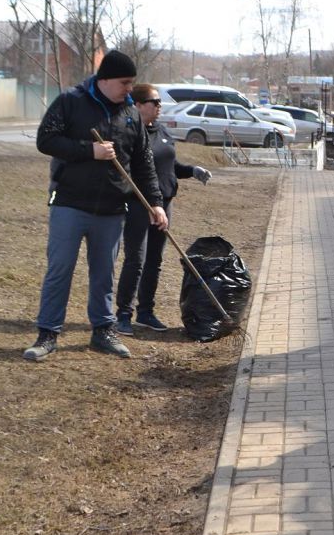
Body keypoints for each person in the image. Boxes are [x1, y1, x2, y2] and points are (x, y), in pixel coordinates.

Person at [24, 52, 167, 362]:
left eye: (132, 83)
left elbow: (143, 162)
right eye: (124, 83)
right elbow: (45, 140)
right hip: (70, 204)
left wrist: (156, 203)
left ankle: (103, 331)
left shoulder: (130, 114)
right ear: (104, 79)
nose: (130, 89)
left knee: (104, 273)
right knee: (60, 269)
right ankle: (48, 333)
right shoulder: (70, 102)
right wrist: (89, 150)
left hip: (113, 209)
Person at [114, 83, 212, 335]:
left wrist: (192, 170)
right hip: (140, 205)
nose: (159, 107)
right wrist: (147, 202)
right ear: (137, 105)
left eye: (159, 103)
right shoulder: (130, 134)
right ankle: (123, 314)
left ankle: (146, 312)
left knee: (154, 261)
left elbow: (170, 165)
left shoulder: (162, 131)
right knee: (136, 260)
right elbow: (126, 171)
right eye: (154, 102)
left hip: (164, 205)